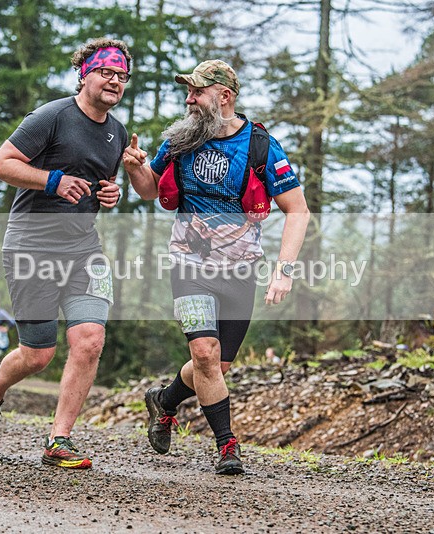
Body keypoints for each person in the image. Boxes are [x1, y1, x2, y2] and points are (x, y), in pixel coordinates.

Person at [124, 60, 310, 474]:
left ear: (223, 96)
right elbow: (150, 190)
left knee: (218, 365)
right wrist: (135, 169)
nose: (189, 99)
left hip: (241, 268)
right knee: (204, 354)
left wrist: (284, 271)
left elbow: (298, 211)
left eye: (197, 92)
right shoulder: (179, 140)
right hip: (188, 263)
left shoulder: (261, 146)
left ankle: (165, 401)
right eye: (187, 91)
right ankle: (228, 446)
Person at [0, 38, 130, 469]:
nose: (114, 81)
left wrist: (111, 193)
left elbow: (100, 183)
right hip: (32, 244)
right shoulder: (52, 116)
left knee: (89, 341)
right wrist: (52, 180)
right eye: (106, 72)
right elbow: (1, 164)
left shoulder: (119, 131)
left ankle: (59, 439)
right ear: (85, 74)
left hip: (84, 248)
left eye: (121, 76)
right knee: (38, 354)